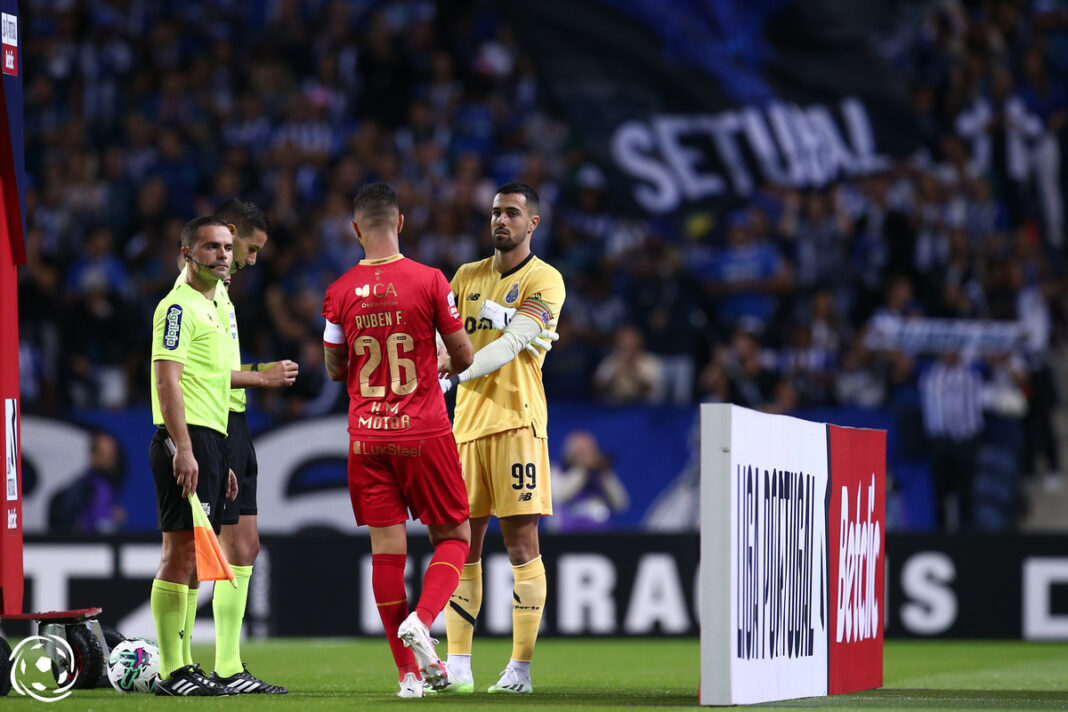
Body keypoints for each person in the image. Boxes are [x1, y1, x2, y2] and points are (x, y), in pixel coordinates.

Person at [321, 183, 475, 698]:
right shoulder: (430, 280)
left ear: (356, 230)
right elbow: (466, 356)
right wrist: (439, 362)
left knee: (387, 552)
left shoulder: (339, 291)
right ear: (401, 223)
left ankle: (408, 676)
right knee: (454, 537)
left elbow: (334, 367)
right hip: (423, 431)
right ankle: (424, 618)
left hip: (366, 437)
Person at [439, 182, 565, 695]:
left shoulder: (545, 279)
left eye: (512, 213)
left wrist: (456, 374)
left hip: (517, 422)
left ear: (532, 223)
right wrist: (441, 368)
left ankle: (519, 669)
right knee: (461, 545)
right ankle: (459, 666)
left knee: (520, 544)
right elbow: (440, 345)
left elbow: (514, 343)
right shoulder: (466, 277)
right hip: (465, 429)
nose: (501, 220)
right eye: (495, 212)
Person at [208, 199, 298, 694]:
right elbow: (197, 374)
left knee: (245, 545)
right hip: (214, 425)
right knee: (202, 549)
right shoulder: (196, 296)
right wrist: (261, 376)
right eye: (250, 248)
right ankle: (195, 667)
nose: (251, 259)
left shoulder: (224, 296)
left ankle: (228, 667)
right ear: (229, 234)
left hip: (234, 423)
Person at [148, 216, 236, 696]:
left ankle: (182, 666)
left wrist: (220, 456)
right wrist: (184, 447)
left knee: (196, 557)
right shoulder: (177, 308)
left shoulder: (215, 304)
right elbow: (168, 379)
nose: (222, 255)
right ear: (187, 254)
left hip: (210, 439)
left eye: (226, 246)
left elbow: (212, 382)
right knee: (178, 552)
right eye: (211, 247)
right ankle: (170, 671)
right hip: (183, 438)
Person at [48, 430, 127, 534]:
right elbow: (63, 520)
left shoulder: (106, 485)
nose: (111, 459)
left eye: (113, 455)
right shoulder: (83, 486)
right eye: (105, 454)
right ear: (93, 455)